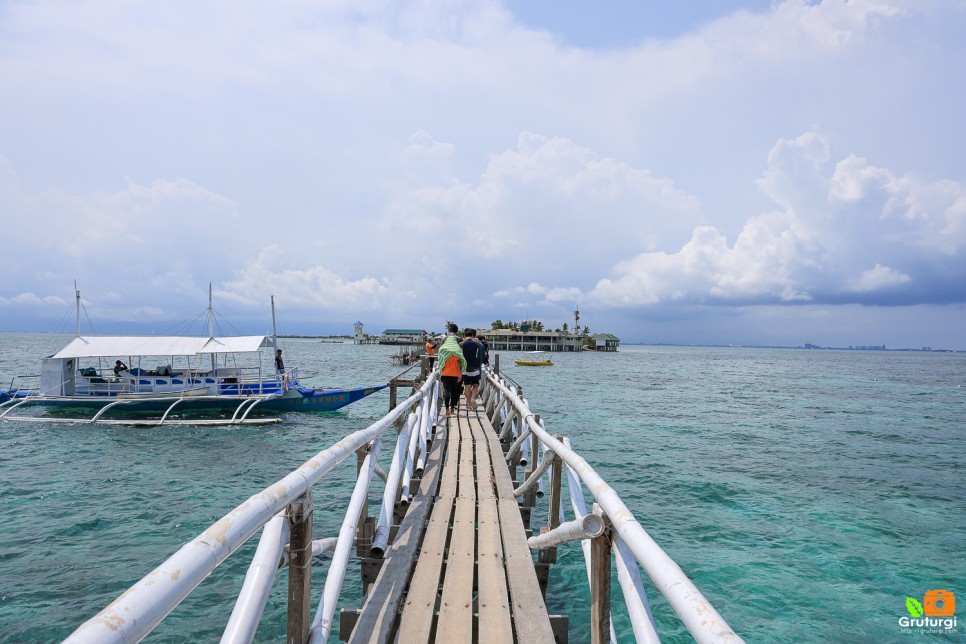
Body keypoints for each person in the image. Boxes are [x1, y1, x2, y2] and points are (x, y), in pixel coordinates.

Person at [436, 323, 466, 416]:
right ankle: (453, 408)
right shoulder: (457, 349)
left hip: (445, 373)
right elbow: (460, 361)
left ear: (449, 331)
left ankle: (447, 410)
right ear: (457, 331)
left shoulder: (444, 347)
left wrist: (439, 368)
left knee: (446, 391)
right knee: (454, 391)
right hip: (455, 373)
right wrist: (460, 374)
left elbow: (440, 358)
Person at [460, 328, 483, 411]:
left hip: (465, 368)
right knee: (475, 385)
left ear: (464, 336)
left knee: (467, 386)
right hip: (475, 368)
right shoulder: (478, 344)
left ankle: (469, 403)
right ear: (473, 335)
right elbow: (480, 357)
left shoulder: (461, 344)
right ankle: (473, 398)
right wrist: (479, 366)